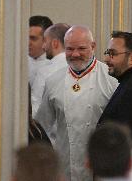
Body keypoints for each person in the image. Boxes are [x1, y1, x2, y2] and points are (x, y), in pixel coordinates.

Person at [35, 25, 118, 181]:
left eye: (81, 48)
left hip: (100, 165)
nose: (75, 54)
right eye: (70, 49)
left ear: (93, 47)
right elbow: (43, 126)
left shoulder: (111, 78)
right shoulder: (53, 81)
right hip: (64, 165)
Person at [31, 23, 70, 117]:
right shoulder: (78, 67)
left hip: (49, 129)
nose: (43, 47)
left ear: (54, 43)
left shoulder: (45, 71)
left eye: (45, 41)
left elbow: (36, 107)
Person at [28, 15, 53, 87]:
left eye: (33, 38)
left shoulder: (57, 64)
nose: (28, 42)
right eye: (26, 37)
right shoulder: (16, 63)